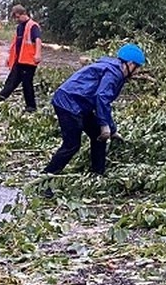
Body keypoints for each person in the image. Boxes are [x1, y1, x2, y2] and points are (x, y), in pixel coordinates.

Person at [41, 43, 146, 183]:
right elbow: (101, 98)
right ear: (131, 64)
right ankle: (46, 178)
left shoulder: (115, 70)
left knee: (98, 136)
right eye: (138, 67)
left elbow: (103, 102)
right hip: (68, 103)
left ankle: (97, 175)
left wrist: (112, 130)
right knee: (72, 145)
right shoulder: (114, 73)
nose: (138, 72)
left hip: (80, 104)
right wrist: (104, 124)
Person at [0, 4, 42, 111]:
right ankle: (0, 98)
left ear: (24, 14)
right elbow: (16, 44)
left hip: (29, 61)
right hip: (20, 60)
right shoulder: (20, 27)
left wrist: (38, 54)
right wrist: (10, 57)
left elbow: (38, 40)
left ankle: (31, 107)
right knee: (11, 80)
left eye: (18, 17)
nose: (17, 19)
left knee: (27, 83)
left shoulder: (32, 26)